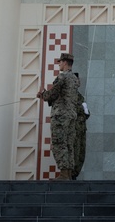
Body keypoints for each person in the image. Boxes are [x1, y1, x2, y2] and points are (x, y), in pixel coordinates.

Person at [36, 52, 80, 180]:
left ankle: (64, 174)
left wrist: (43, 94)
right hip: (72, 115)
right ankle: (69, 173)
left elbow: (53, 94)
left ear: (65, 62)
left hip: (61, 115)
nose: (59, 64)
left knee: (59, 143)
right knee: (69, 144)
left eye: (60, 62)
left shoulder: (62, 77)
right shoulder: (74, 79)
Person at [71, 74, 89, 180]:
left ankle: (75, 173)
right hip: (74, 129)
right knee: (74, 151)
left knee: (81, 153)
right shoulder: (69, 95)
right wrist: (82, 110)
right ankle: (71, 174)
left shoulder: (80, 96)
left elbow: (85, 114)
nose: (79, 82)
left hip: (81, 128)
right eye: (77, 80)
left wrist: (86, 111)